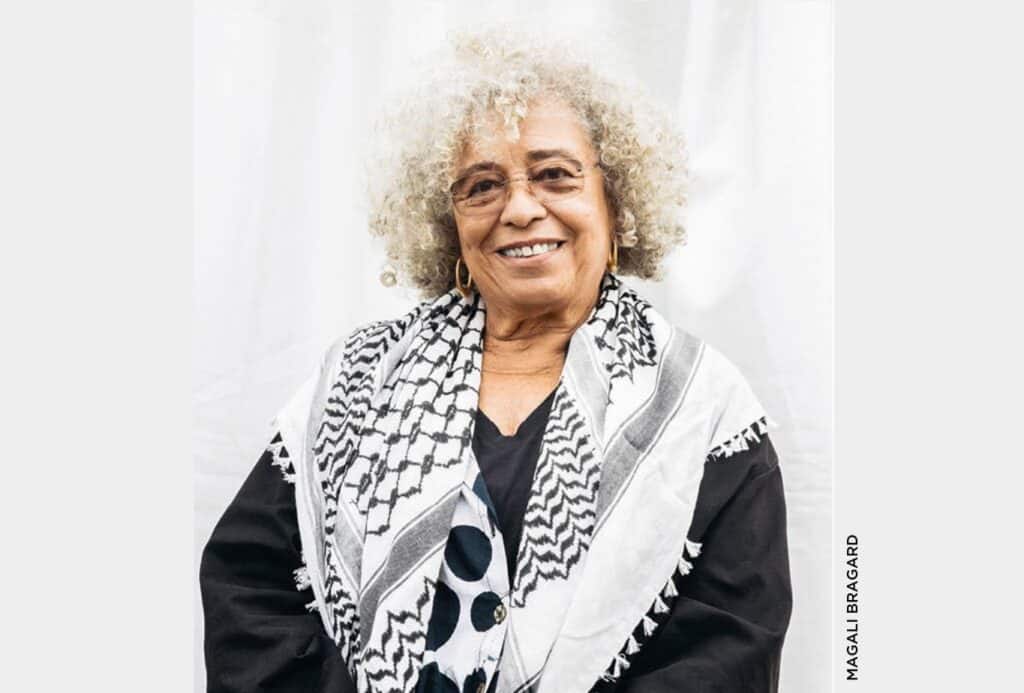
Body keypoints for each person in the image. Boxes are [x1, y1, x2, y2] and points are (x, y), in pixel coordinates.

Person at [201, 30, 791, 693]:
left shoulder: (702, 408)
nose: (520, 208)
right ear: (448, 225)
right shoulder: (357, 382)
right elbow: (247, 588)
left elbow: (730, 646)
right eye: (482, 186)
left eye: (554, 174)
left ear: (615, 200)